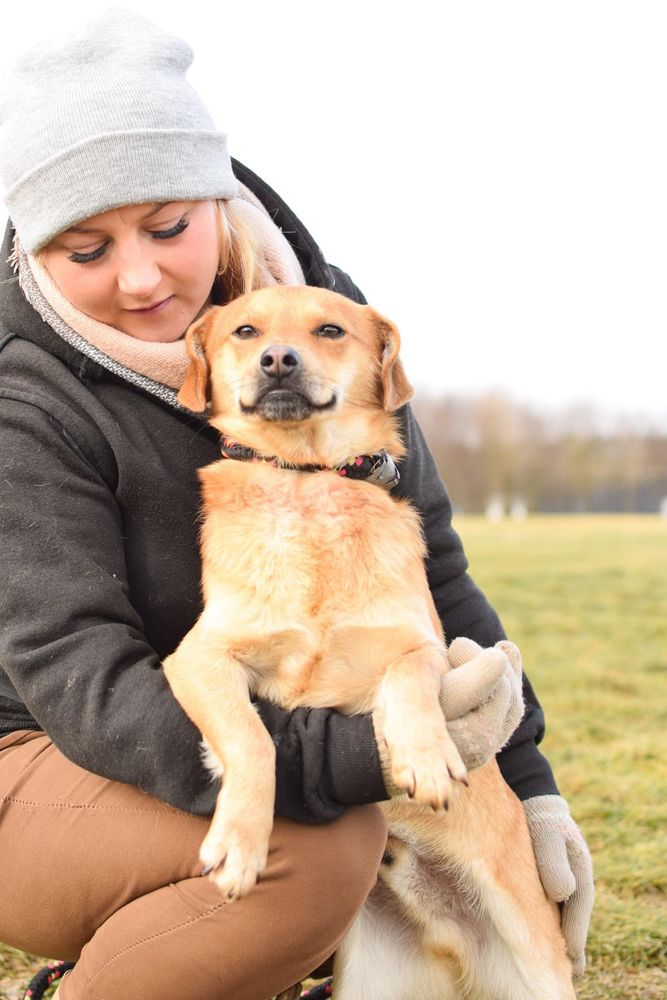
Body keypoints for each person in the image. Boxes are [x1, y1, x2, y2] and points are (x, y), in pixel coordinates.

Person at [0, 9, 593, 1000]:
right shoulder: (24, 399)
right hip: (41, 757)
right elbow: (84, 684)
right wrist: (364, 756)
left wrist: (528, 786)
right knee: (313, 852)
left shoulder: (322, 315)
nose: (142, 277)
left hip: (248, 733)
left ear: (216, 199)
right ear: (29, 248)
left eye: (166, 225)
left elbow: (433, 568)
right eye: (84, 248)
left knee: (392, 862)